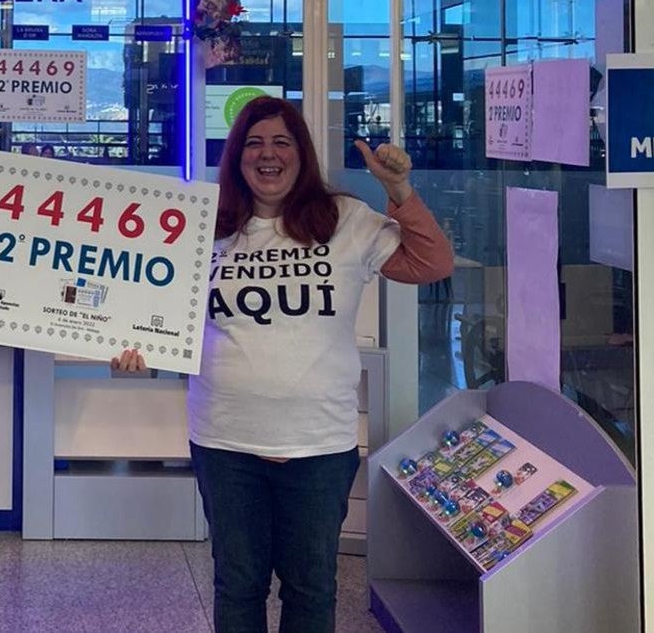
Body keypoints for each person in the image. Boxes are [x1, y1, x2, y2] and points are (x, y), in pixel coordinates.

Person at [112, 97, 452, 632]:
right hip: (226, 442)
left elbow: (432, 263)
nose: (267, 155)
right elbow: (155, 311)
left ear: (302, 155)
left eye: (281, 142)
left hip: (318, 446)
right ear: (236, 156)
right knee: (238, 586)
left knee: (311, 589)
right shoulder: (203, 228)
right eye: (253, 142)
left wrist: (399, 192)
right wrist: (135, 350)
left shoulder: (345, 220)